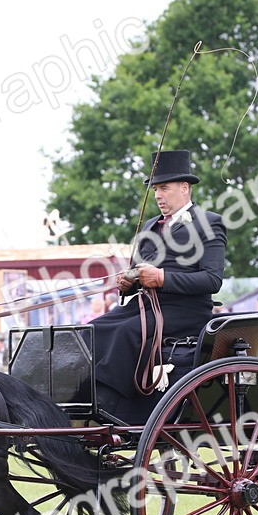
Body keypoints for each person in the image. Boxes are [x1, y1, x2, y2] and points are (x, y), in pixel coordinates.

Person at [91, 149, 226, 423]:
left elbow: (212, 280)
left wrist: (162, 278)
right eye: (155, 189)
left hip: (186, 311)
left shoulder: (209, 223)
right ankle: (86, 394)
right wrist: (127, 282)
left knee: (126, 332)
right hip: (145, 306)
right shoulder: (151, 226)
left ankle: (111, 405)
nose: (158, 195)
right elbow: (140, 273)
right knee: (94, 329)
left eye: (164, 188)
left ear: (185, 188)